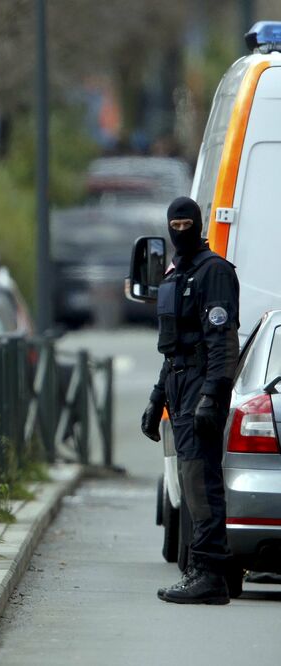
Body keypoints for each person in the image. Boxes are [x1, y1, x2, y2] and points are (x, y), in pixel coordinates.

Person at [141, 196, 239, 605]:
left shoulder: (213, 272)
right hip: (180, 385)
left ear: (198, 225)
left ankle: (209, 572)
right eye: (174, 224)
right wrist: (156, 399)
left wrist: (212, 396)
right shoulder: (175, 275)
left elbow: (222, 343)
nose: (179, 231)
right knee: (189, 479)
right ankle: (209, 569)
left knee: (201, 481)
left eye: (186, 224)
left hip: (201, 385)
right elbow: (172, 350)